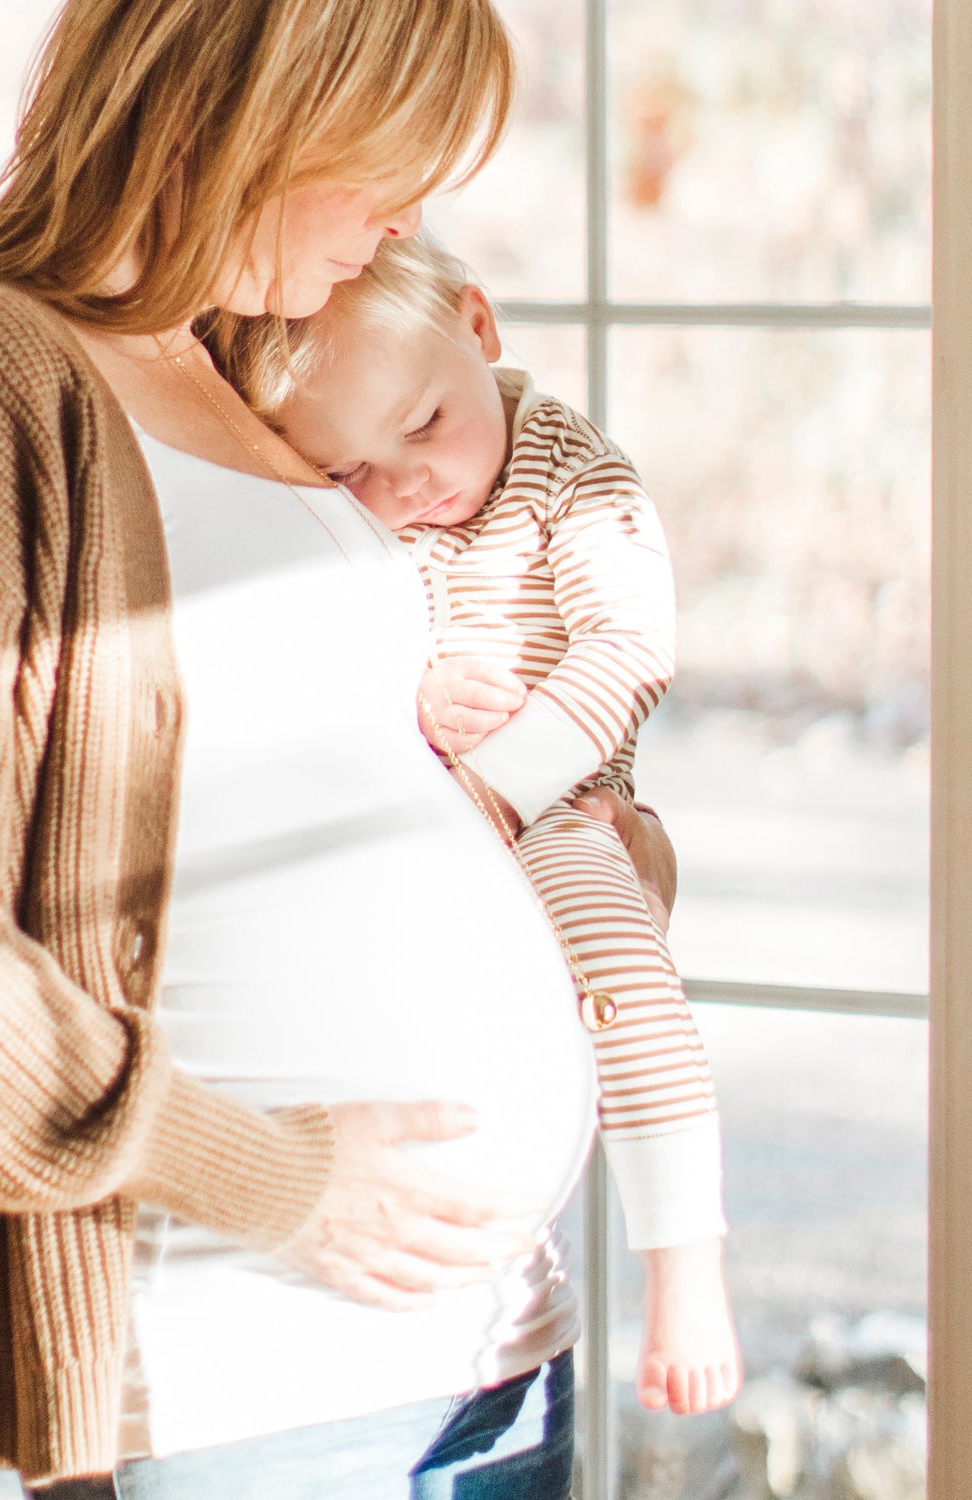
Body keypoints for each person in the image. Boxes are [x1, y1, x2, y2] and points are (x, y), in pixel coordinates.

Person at [0, 2, 691, 1496]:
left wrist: (570, 863)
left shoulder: (251, 372)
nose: (401, 217)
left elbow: (323, 778)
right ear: (230, 115)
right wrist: (281, 1181)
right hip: (246, 1381)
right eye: (376, 166)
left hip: (489, 1357)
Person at [209, 231, 742, 1414]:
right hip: (415, 806)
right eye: (356, 472)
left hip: (557, 802)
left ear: (481, 329)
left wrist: (496, 787)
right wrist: (414, 699)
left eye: (425, 426)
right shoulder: (353, 510)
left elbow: (629, 647)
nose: (408, 488)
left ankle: (686, 1261)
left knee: (620, 968)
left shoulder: (572, 474)